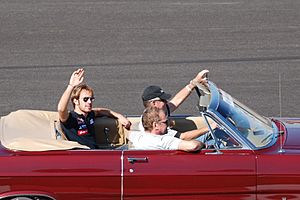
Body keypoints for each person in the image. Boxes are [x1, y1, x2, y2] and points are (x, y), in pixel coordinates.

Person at [57, 68, 131, 149]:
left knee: (129, 148)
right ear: (76, 101)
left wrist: (119, 116)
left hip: (96, 152)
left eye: (91, 99)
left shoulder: (89, 114)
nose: (89, 102)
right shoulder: (70, 118)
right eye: (85, 99)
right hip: (82, 155)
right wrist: (71, 86)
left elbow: (101, 111)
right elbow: (61, 109)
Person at [139, 69, 216, 141]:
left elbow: (176, 101)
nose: (166, 102)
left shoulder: (160, 112)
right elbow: (183, 137)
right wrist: (210, 128)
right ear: (154, 103)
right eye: (163, 100)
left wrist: (193, 84)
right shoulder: (152, 122)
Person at [128, 107, 204, 152]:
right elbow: (194, 146)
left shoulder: (137, 136)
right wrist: (203, 145)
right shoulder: (164, 141)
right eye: (165, 122)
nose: (168, 125)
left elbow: (129, 134)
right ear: (155, 125)